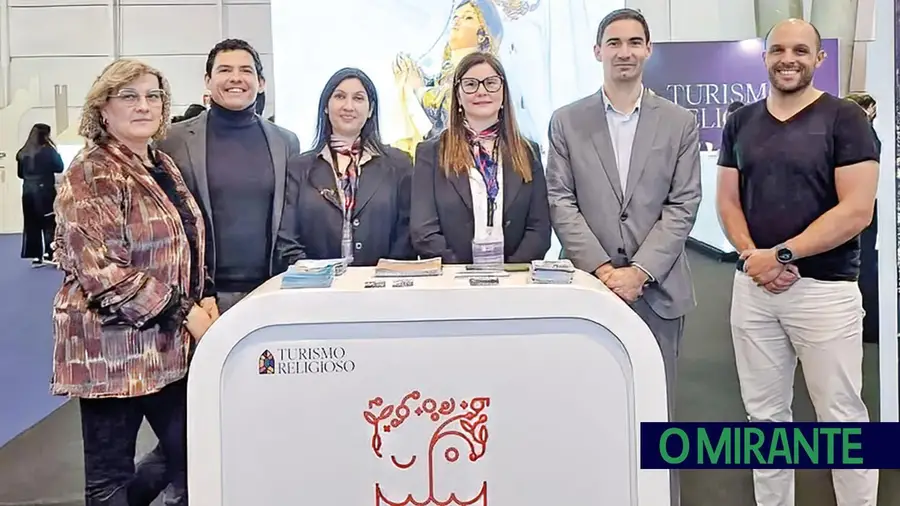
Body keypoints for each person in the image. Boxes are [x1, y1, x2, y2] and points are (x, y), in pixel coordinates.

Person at [716, 19, 879, 506]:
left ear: (819, 58)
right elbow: (728, 201)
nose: (789, 58)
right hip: (755, 291)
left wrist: (782, 255)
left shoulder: (844, 119)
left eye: (801, 50)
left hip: (824, 292)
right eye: (779, 49)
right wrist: (753, 258)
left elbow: (856, 210)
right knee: (763, 417)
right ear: (765, 57)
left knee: (841, 417)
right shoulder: (741, 122)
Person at [52, 58, 216, 506]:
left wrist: (205, 294)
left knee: (190, 451)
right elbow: (104, 274)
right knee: (109, 480)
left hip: (164, 346)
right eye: (130, 96)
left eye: (153, 96)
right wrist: (187, 312)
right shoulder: (92, 171)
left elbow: (182, 241)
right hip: (109, 350)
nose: (144, 105)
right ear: (103, 108)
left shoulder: (159, 162)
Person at [547, 7, 700, 410]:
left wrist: (639, 272)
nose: (624, 52)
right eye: (614, 42)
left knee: (655, 409)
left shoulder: (679, 122)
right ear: (598, 51)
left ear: (648, 49)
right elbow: (561, 200)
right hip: (588, 288)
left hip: (657, 291)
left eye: (634, 42)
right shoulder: (566, 121)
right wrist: (603, 270)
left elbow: (683, 203)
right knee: (589, 408)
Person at [159, 38, 301, 313]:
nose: (235, 78)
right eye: (225, 70)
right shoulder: (172, 141)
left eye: (246, 70)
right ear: (208, 80)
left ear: (261, 83)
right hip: (202, 298)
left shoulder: (286, 142)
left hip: (270, 292)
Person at [410, 51, 550, 264]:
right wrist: (464, 274)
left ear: (504, 93)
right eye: (471, 84)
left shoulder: (529, 153)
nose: (481, 91)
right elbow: (424, 231)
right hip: (453, 282)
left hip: (513, 284)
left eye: (491, 83)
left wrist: (508, 274)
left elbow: (539, 230)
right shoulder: (430, 154)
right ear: (458, 95)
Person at [276, 68, 414, 267]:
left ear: (371, 110)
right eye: (340, 96)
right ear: (325, 106)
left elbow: (406, 235)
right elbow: (287, 239)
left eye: (358, 98)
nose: (348, 106)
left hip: (380, 290)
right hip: (316, 290)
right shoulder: (299, 168)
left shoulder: (399, 165)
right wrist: (318, 277)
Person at [845, 92, 881, 344]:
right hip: (864, 210)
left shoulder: (855, 137)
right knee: (865, 265)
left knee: (864, 265)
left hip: (861, 210)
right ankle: (868, 326)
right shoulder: (866, 136)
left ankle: (868, 325)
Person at [16, 122, 64, 266]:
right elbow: (59, 168)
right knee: (49, 221)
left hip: (27, 191)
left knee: (31, 222)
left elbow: (20, 174)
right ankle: (49, 252)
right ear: (45, 135)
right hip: (44, 190)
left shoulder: (22, 152)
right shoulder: (48, 151)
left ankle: (35, 255)